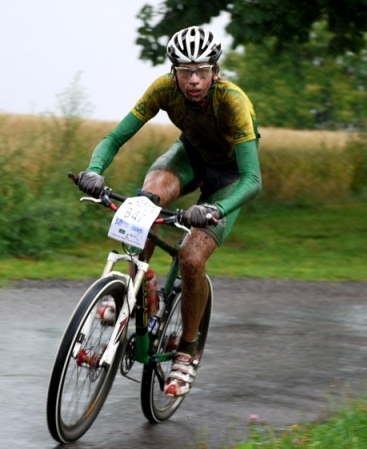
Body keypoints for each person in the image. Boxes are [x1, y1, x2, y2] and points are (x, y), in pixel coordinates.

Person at [75, 26, 262, 397]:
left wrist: (215, 208)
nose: (193, 80)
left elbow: (253, 179)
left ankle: (187, 352)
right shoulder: (163, 89)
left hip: (230, 177)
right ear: (173, 72)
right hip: (190, 156)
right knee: (141, 206)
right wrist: (94, 171)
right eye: (185, 71)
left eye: (202, 71)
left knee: (192, 259)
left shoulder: (233, 102)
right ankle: (137, 293)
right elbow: (115, 138)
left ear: (215, 71)